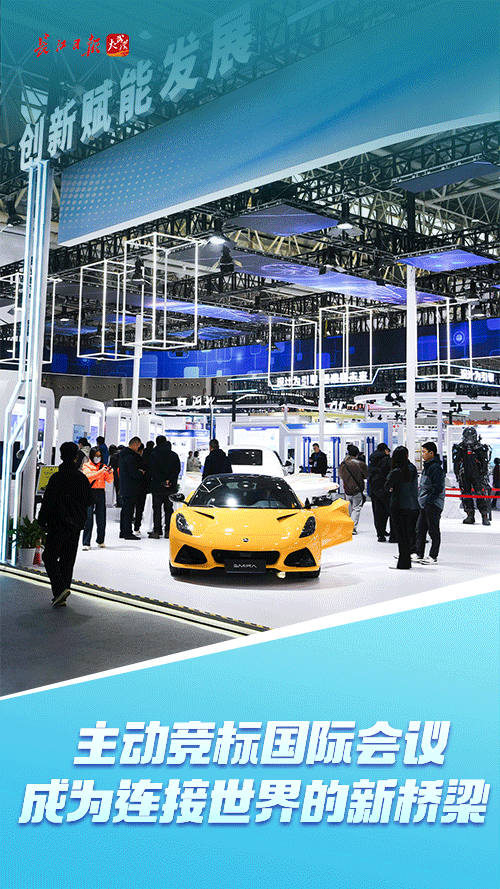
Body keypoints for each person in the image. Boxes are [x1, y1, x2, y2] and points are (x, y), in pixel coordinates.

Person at [37, 441, 93, 606]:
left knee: (49, 556)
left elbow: (48, 502)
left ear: (61, 456)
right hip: (76, 524)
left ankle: (60, 590)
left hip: (58, 523)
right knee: (68, 560)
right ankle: (62, 593)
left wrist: (41, 521)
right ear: (76, 457)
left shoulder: (57, 477)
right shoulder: (81, 478)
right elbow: (89, 500)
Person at [385, 446, 419, 570]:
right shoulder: (412, 469)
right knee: (408, 534)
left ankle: (403, 562)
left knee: (401, 535)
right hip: (411, 505)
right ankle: (405, 561)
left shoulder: (395, 472)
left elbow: (386, 486)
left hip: (397, 505)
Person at [452, 427, 492, 525]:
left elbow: (484, 463)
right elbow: (456, 462)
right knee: (466, 495)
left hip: (477, 475)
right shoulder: (460, 448)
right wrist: (457, 474)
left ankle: (484, 516)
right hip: (465, 475)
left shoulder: (480, 448)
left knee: (480, 494)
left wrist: (483, 475)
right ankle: (470, 515)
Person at [414, 442, 445, 565]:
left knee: (433, 530)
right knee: (420, 529)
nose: (422, 454)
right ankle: (419, 553)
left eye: (424, 452)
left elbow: (438, 487)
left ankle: (433, 556)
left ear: (431, 453)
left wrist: (429, 501)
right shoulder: (428, 466)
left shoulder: (435, 468)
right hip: (425, 503)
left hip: (433, 504)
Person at [148, 436, 181, 539]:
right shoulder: (174, 455)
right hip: (170, 488)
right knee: (169, 508)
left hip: (157, 487)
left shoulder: (154, 455)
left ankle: (157, 530)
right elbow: (177, 470)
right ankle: (168, 530)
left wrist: (162, 481)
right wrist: (169, 481)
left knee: (157, 509)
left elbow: (153, 471)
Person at [81, 446, 114, 550]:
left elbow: (109, 480)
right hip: (89, 492)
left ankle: (101, 540)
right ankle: (86, 542)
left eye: (99, 456)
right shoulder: (86, 465)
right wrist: (101, 472)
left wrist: (109, 473)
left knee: (101, 518)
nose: (97, 458)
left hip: (100, 492)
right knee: (88, 518)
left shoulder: (103, 466)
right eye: (95, 456)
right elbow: (88, 476)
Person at [338, 444, 369, 534]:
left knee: (349, 508)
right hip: (357, 488)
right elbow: (366, 475)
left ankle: (348, 526)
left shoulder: (343, 464)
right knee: (356, 508)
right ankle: (352, 528)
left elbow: (340, 475)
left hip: (347, 488)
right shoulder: (360, 464)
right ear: (357, 454)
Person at [118, 437, 144, 540]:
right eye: (138, 446)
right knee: (129, 511)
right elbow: (133, 473)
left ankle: (123, 531)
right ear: (135, 445)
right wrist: (140, 473)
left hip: (124, 486)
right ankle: (128, 532)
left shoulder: (122, 455)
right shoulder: (131, 457)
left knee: (125, 510)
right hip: (131, 487)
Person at [368, 443, 394, 542]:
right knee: (389, 512)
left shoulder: (372, 461)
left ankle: (380, 534)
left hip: (374, 491)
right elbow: (391, 474)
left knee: (378, 512)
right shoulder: (387, 460)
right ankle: (392, 534)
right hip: (385, 490)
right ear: (386, 451)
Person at [134, 440, 154, 533]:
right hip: (148, 485)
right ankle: (138, 526)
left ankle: (135, 526)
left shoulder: (138, 458)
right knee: (142, 507)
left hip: (137, 485)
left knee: (135, 506)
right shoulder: (153, 456)